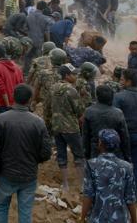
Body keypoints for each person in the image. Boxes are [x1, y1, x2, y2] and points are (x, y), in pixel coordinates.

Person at [0, 84, 51, 223]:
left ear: (13, 97)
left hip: (6, 174)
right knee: (25, 212)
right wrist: (34, 160)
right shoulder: (38, 122)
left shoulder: (1, 119)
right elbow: (46, 152)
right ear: (29, 100)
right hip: (28, 176)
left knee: (1, 207)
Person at [81, 129, 137, 223]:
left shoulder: (92, 165)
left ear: (101, 144)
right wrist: (134, 221)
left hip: (97, 219)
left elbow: (88, 195)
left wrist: (82, 218)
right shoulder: (127, 167)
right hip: (121, 219)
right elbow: (130, 199)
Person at [113, 68, 137, 200]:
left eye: (123, 80)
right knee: (136, 167)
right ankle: (134, 197)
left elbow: (114, 118)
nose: (121, 82)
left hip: (121, 137)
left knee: (119, 165)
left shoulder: (119, 97)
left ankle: (118, 195)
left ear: (129, 82)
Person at [51, 64, 84, 192]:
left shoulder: (53, 88)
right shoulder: (72, 90)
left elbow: (48, 107)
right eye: (73, 74)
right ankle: (82, 185)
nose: (75, 76)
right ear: (66, 76)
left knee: (61, 155)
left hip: (57, 126)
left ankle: (65, 185)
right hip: (71, 128)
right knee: (79, 155)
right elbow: (79, 110)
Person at [82, 85, 130, 162]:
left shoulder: (88, 111)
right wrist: (127, 156)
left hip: (96, 150)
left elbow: (85, 135)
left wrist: (86, 154)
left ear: (97, 96)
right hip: (114, 152)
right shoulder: (118, 113)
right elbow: (124, 137)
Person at [0, 40, 24, 114]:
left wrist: (8, 105)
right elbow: (21, 85)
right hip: (17, 104)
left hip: (4, 105)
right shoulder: (16, 66)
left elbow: (2, 88)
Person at [25, 2, 53, 74]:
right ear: (43, 9)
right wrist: (49, 43)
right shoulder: (45, 19)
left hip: (30, 41)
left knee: (28, 57)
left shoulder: (29, 16)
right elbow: (47, 33)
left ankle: (26, 72)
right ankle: (36, 74)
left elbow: (25, 28)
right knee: (39, 60)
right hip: (39, 42)